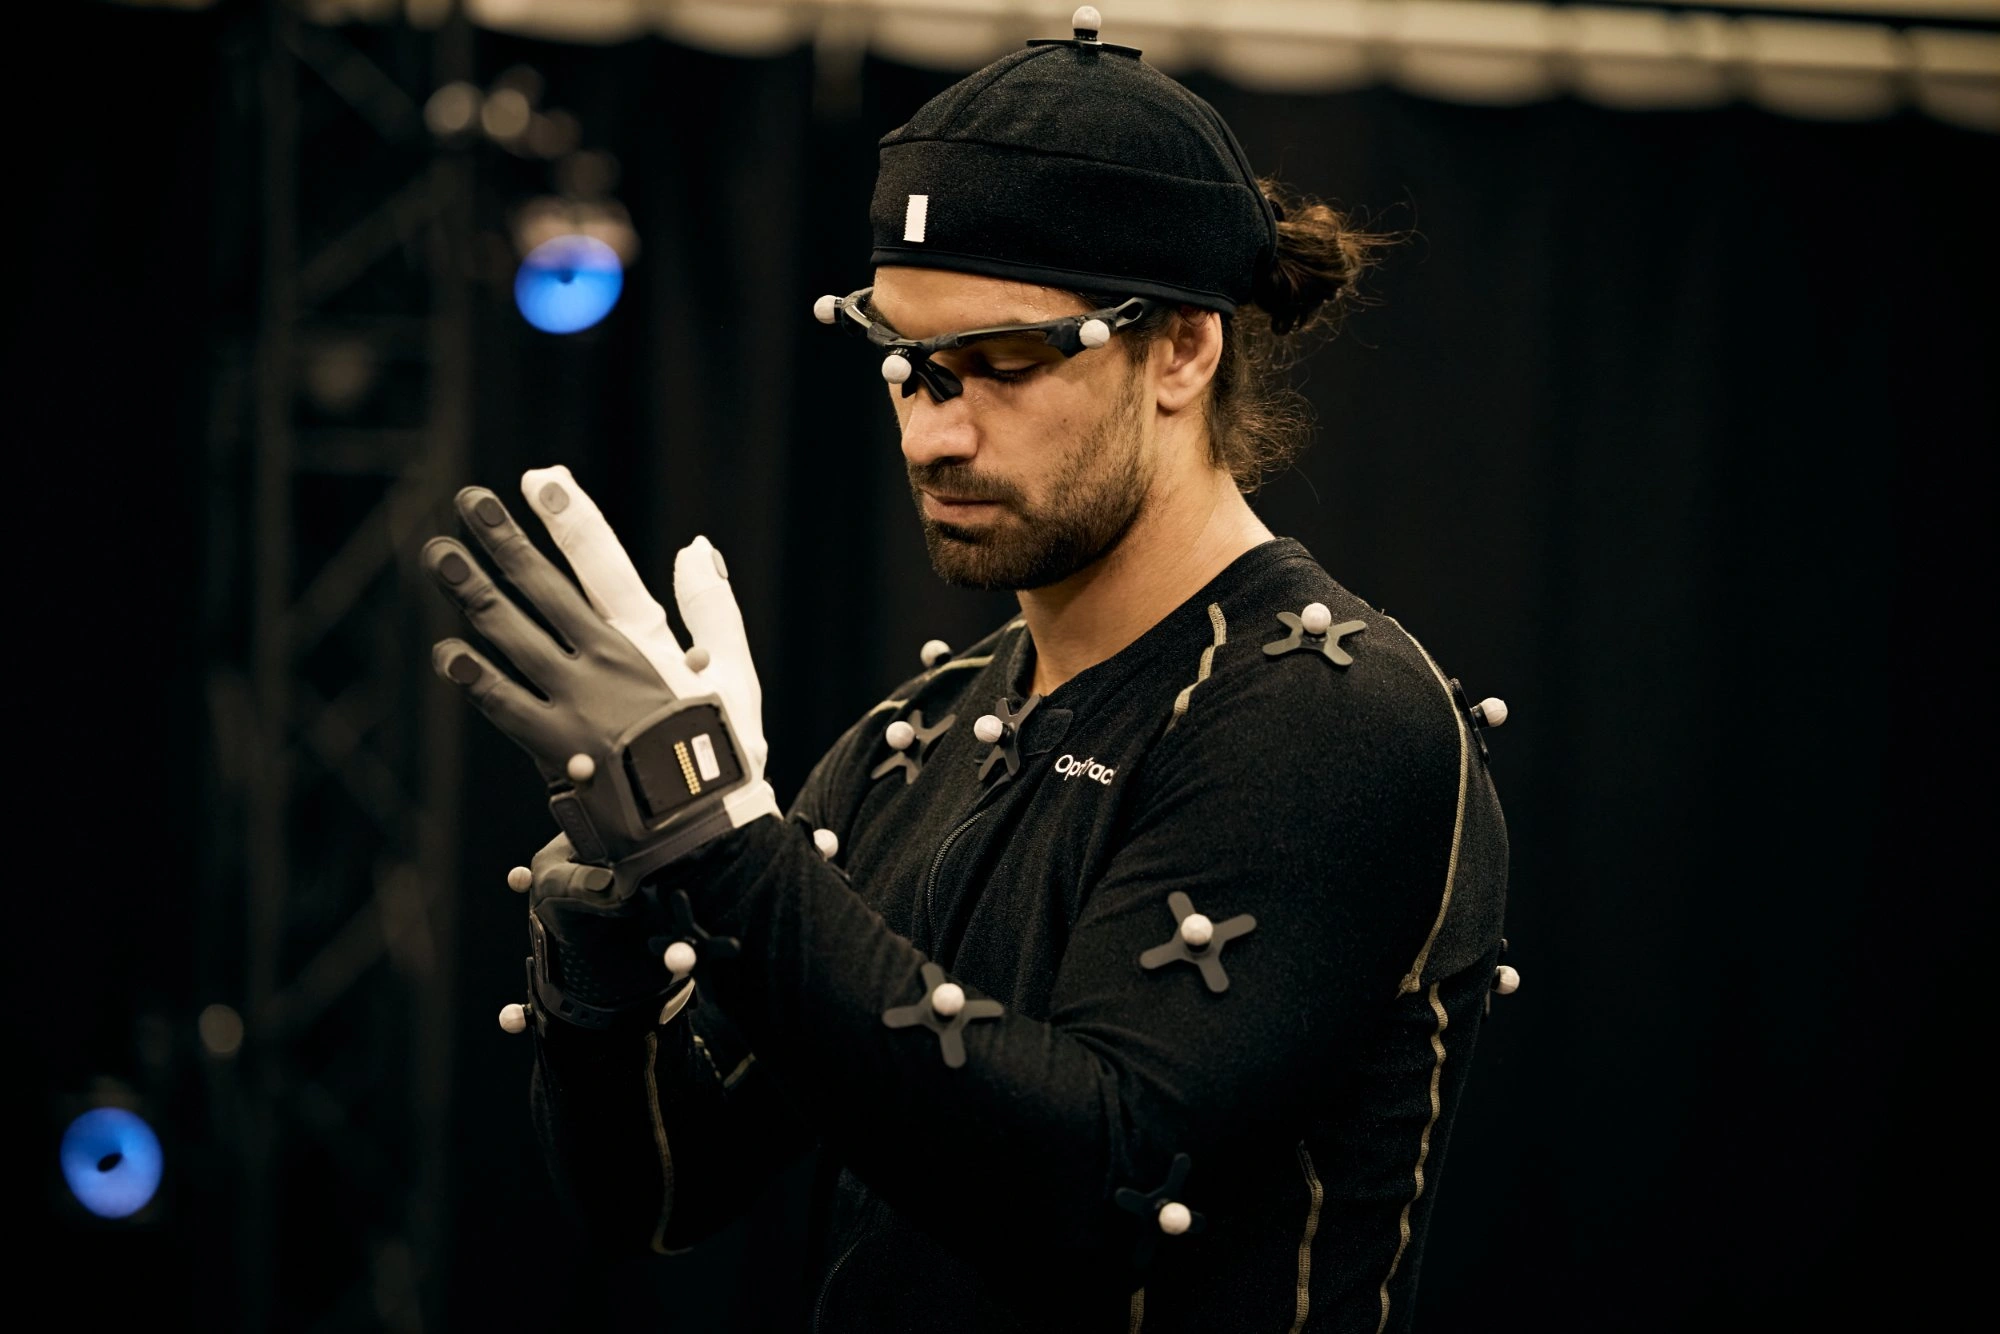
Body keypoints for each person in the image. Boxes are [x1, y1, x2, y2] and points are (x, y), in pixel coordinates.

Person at [424, 10, 1512, 1330]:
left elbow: (1099, 1181)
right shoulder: (924, 736)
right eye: (905, 362)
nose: (933, 432)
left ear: (1182, 348)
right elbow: (659, 1192)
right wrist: (609, 941)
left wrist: (720, 844)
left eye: (999, 364)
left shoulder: (1330, 715)